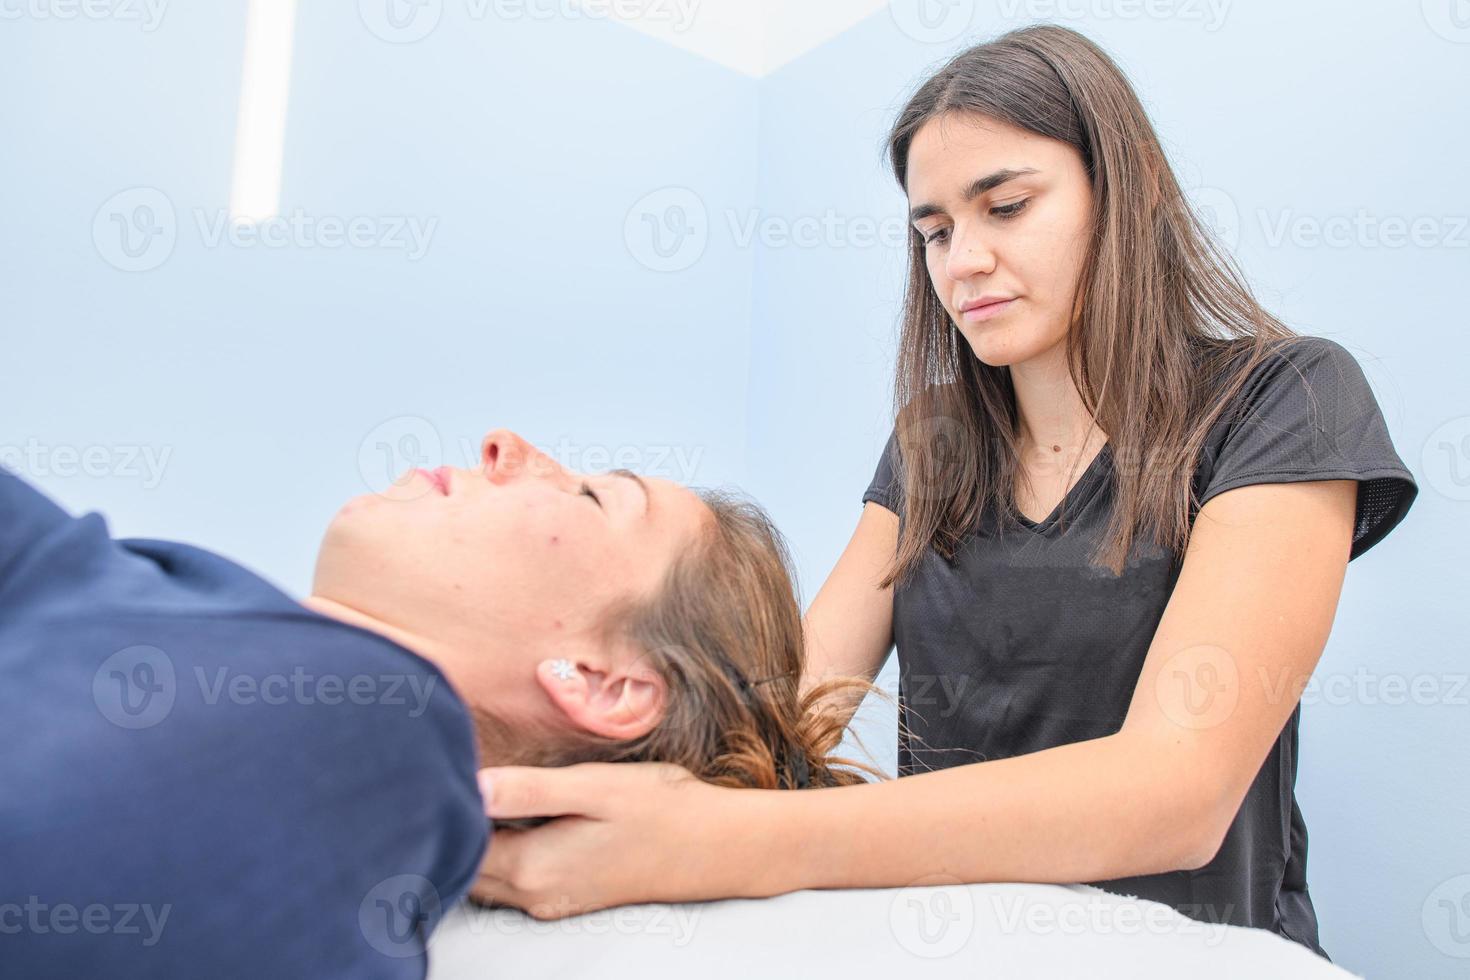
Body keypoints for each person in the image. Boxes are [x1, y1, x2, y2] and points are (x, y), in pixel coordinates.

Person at [470, 25, 1418, 962]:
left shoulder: (1283, 401)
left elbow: (1176, 793)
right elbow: (788, 711)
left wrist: (724, 839)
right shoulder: (936, 440)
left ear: (1125, 194)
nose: (960, 262)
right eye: (934, 231)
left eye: (1005, 207)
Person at [0, 428, 876, 979]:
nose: (503, 444)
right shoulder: (232, 635)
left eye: (590, 494)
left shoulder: (375, 737)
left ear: (604, 683)